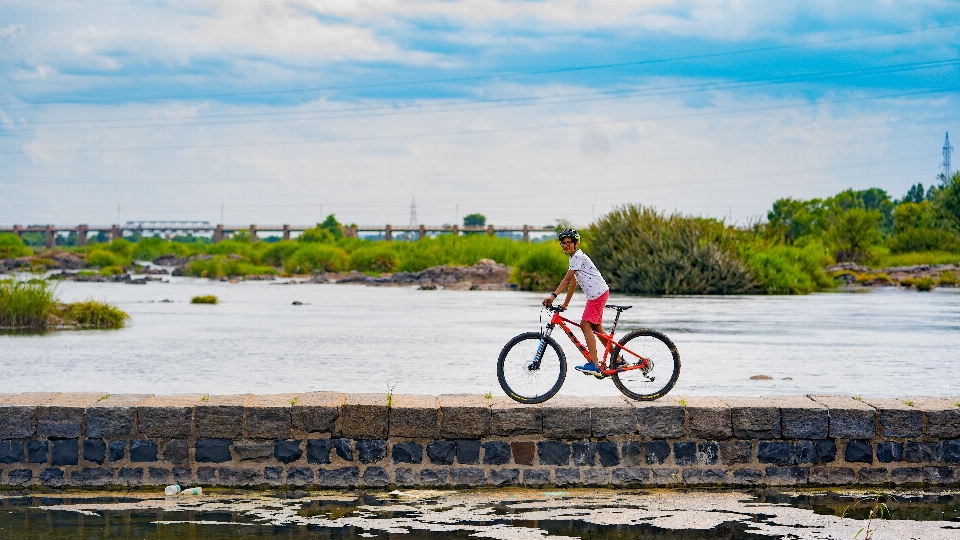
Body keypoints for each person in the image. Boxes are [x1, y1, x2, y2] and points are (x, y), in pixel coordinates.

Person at [541, 228, 610, 377]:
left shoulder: (577, 256)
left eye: (568, 243)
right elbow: (573, 283)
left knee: (585, 325)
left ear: (576, 243)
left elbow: (566, 280)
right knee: (596, 329)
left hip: (597, 294)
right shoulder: (573, 259)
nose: (565, 246)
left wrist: (553, 296)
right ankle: (618, 358)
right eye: (563, 243)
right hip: (597, 294)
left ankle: (595, 365)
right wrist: (565, 304)